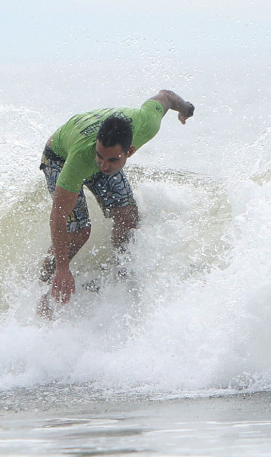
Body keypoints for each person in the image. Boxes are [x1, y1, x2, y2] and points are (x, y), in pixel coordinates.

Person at [37, 90, 194, 317]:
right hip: (60, 157)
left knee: (128, 215)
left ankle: (121, 276)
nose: (103, 165)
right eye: (101, 157)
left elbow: (166, 97)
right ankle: (43, 287)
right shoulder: (82, 158)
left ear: (130, 151)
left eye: (112, 159)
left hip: (93, 145)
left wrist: (185, 108)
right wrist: (63, 268)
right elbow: (58, 217)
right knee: (80, 231)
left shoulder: (146, 123)